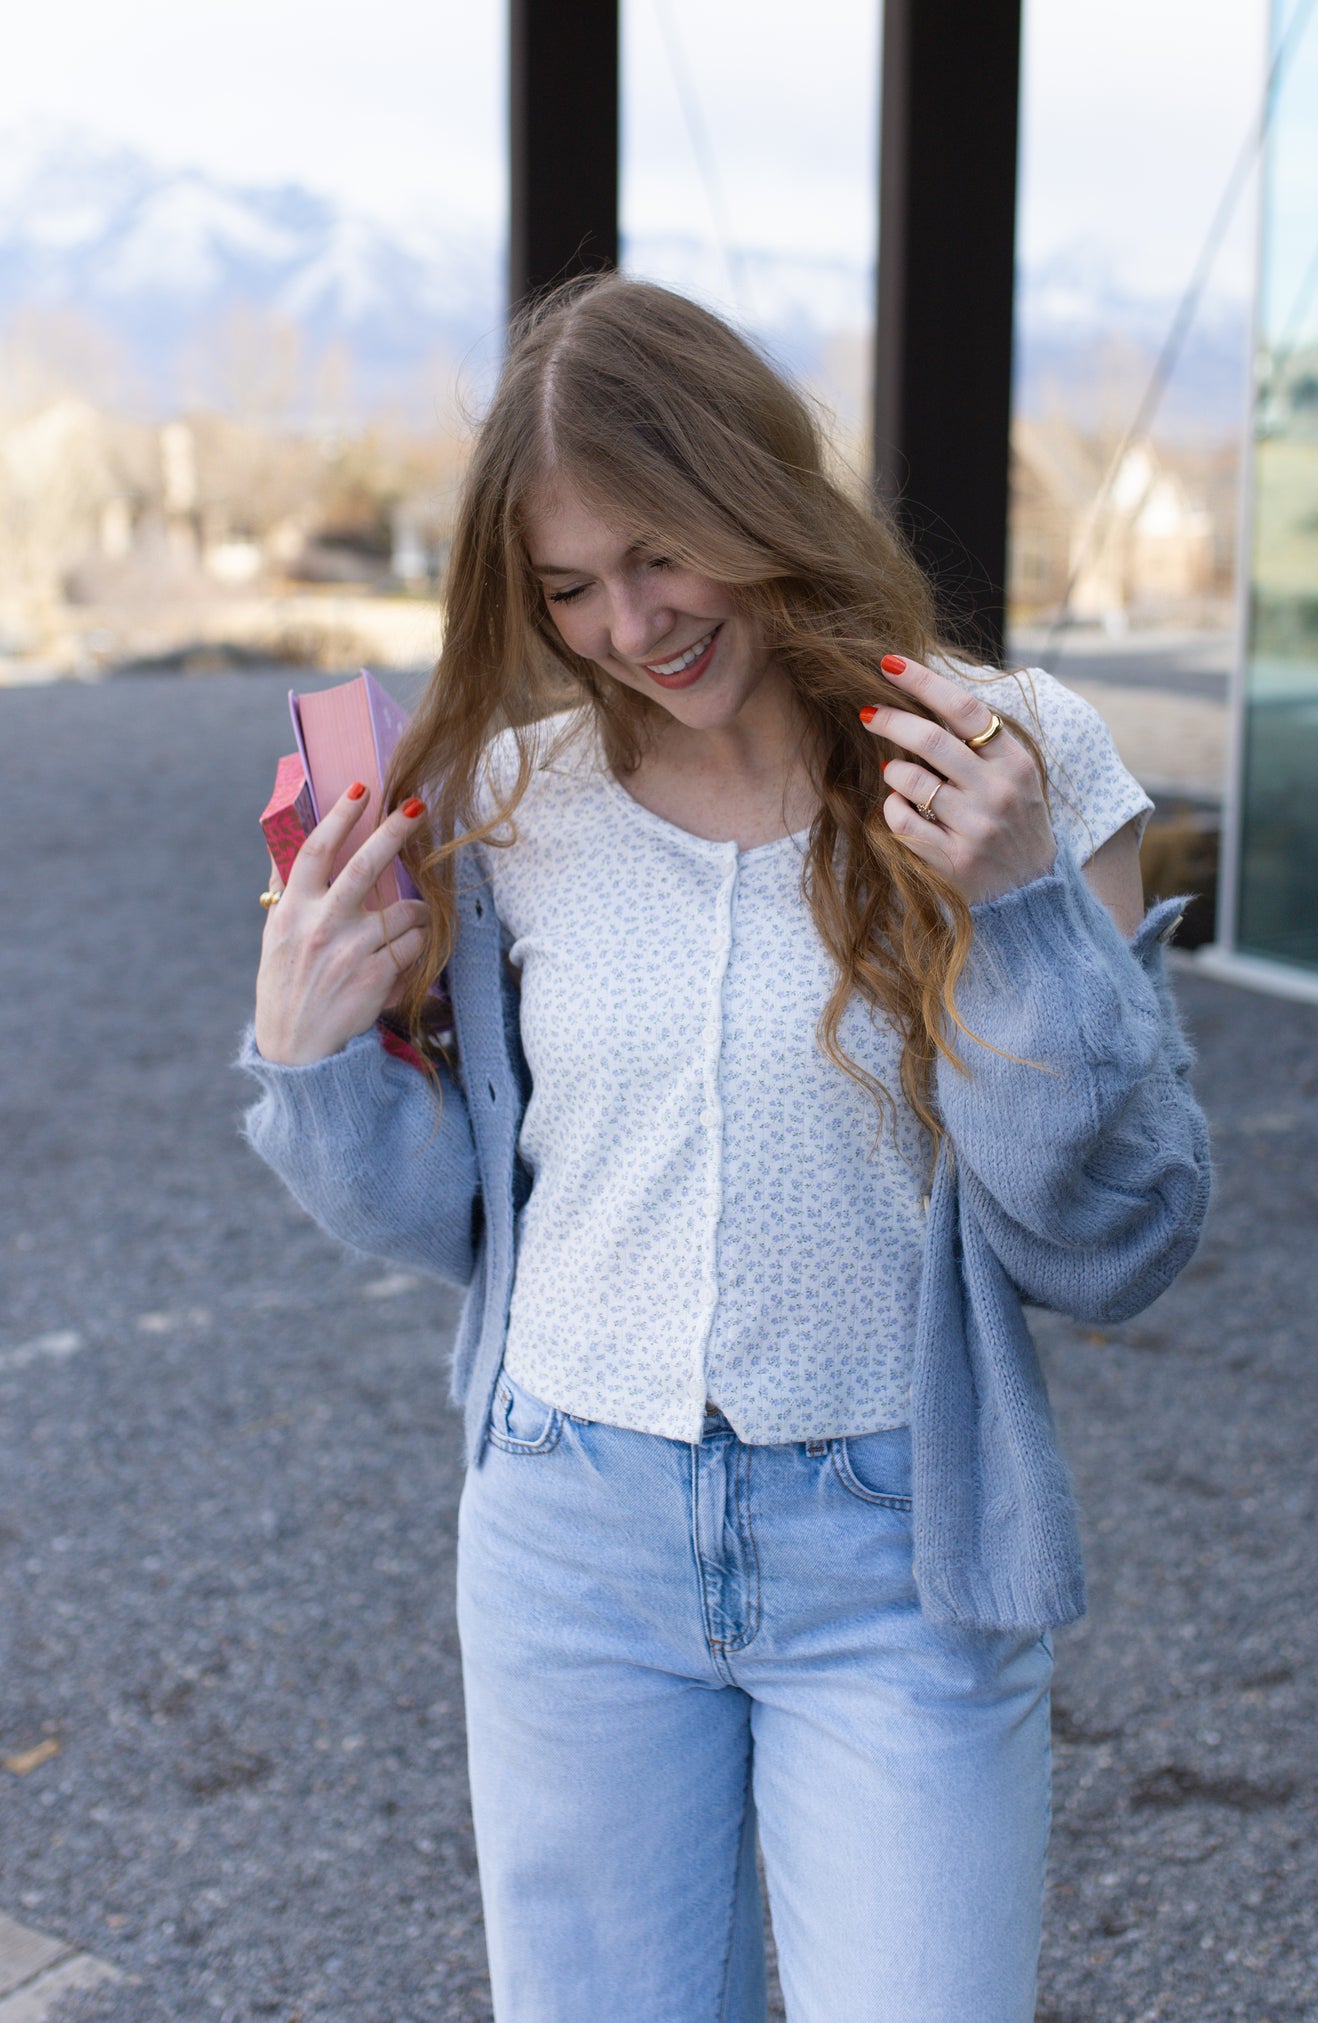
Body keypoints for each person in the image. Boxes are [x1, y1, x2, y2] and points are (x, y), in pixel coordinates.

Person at [240, 275, 1210, 2023]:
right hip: (565, 1532)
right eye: (567, 587)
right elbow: (446, 1219)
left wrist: (1025, 913)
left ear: (752, 493)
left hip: (895, 1549)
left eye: (659, 553)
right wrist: (314, 1063)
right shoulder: (509, 805)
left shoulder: (1015, 759)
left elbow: (1114, 1240)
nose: (629, 624)